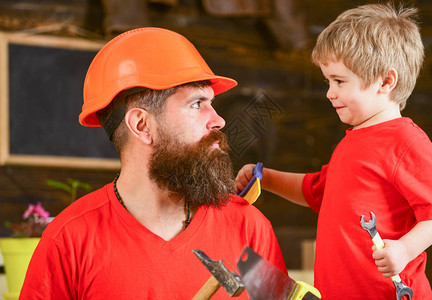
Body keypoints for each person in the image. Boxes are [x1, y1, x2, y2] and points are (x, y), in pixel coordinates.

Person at [20, 27, 287, 299]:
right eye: (197, 104)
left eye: (212, 103)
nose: (218, 120)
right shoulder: (69, 240)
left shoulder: (248, 227)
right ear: (142, 124)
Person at [236, 3, 432, 299]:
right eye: (327, 81)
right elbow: (316, 191)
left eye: (339, 81)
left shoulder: (405, 141)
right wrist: (267, 178)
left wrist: (405, 249)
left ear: (386, 81)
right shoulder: (353, 141)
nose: (329, 92)